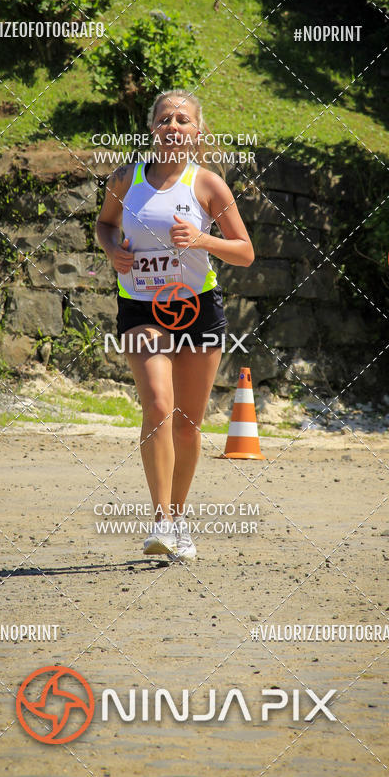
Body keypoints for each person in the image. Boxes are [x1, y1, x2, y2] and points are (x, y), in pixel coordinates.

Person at [96, 90, 254, 560]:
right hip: (143, 308)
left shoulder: (207, 185)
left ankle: (180, 520)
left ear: (197, 132)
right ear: (152, 129)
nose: (173, 126)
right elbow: (104, 225)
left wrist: (203, 238)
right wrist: (111, 250)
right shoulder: (125, 179)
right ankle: (161, 520)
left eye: (183, 119)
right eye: (165, 118)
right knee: (158, 406)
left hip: (197, 308)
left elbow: (244, 252)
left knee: (187, 424)